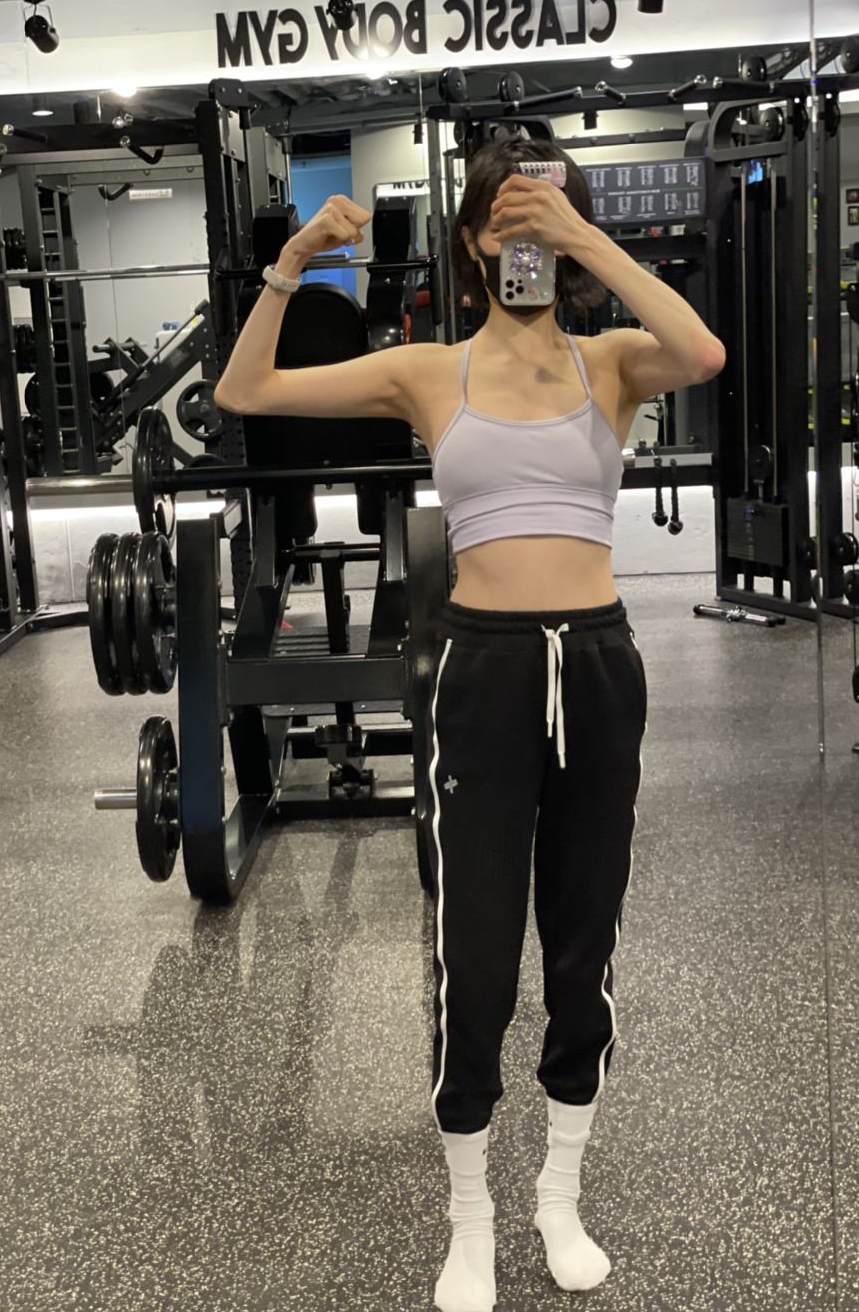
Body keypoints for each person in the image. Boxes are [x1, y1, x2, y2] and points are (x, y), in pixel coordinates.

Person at [215, 137, 725, 1311]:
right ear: (469, 240)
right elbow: (247, 392)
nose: (525, 238)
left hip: (595, 669)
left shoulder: (612, 362)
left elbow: (701, 351)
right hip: (480, 674)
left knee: (582, 948)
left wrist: (580, 235)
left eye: (545, 218)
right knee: (475, 955)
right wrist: (293, 263)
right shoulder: (427, 371)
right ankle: (470, 1216)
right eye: (506, 219)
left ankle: (557, 1195)